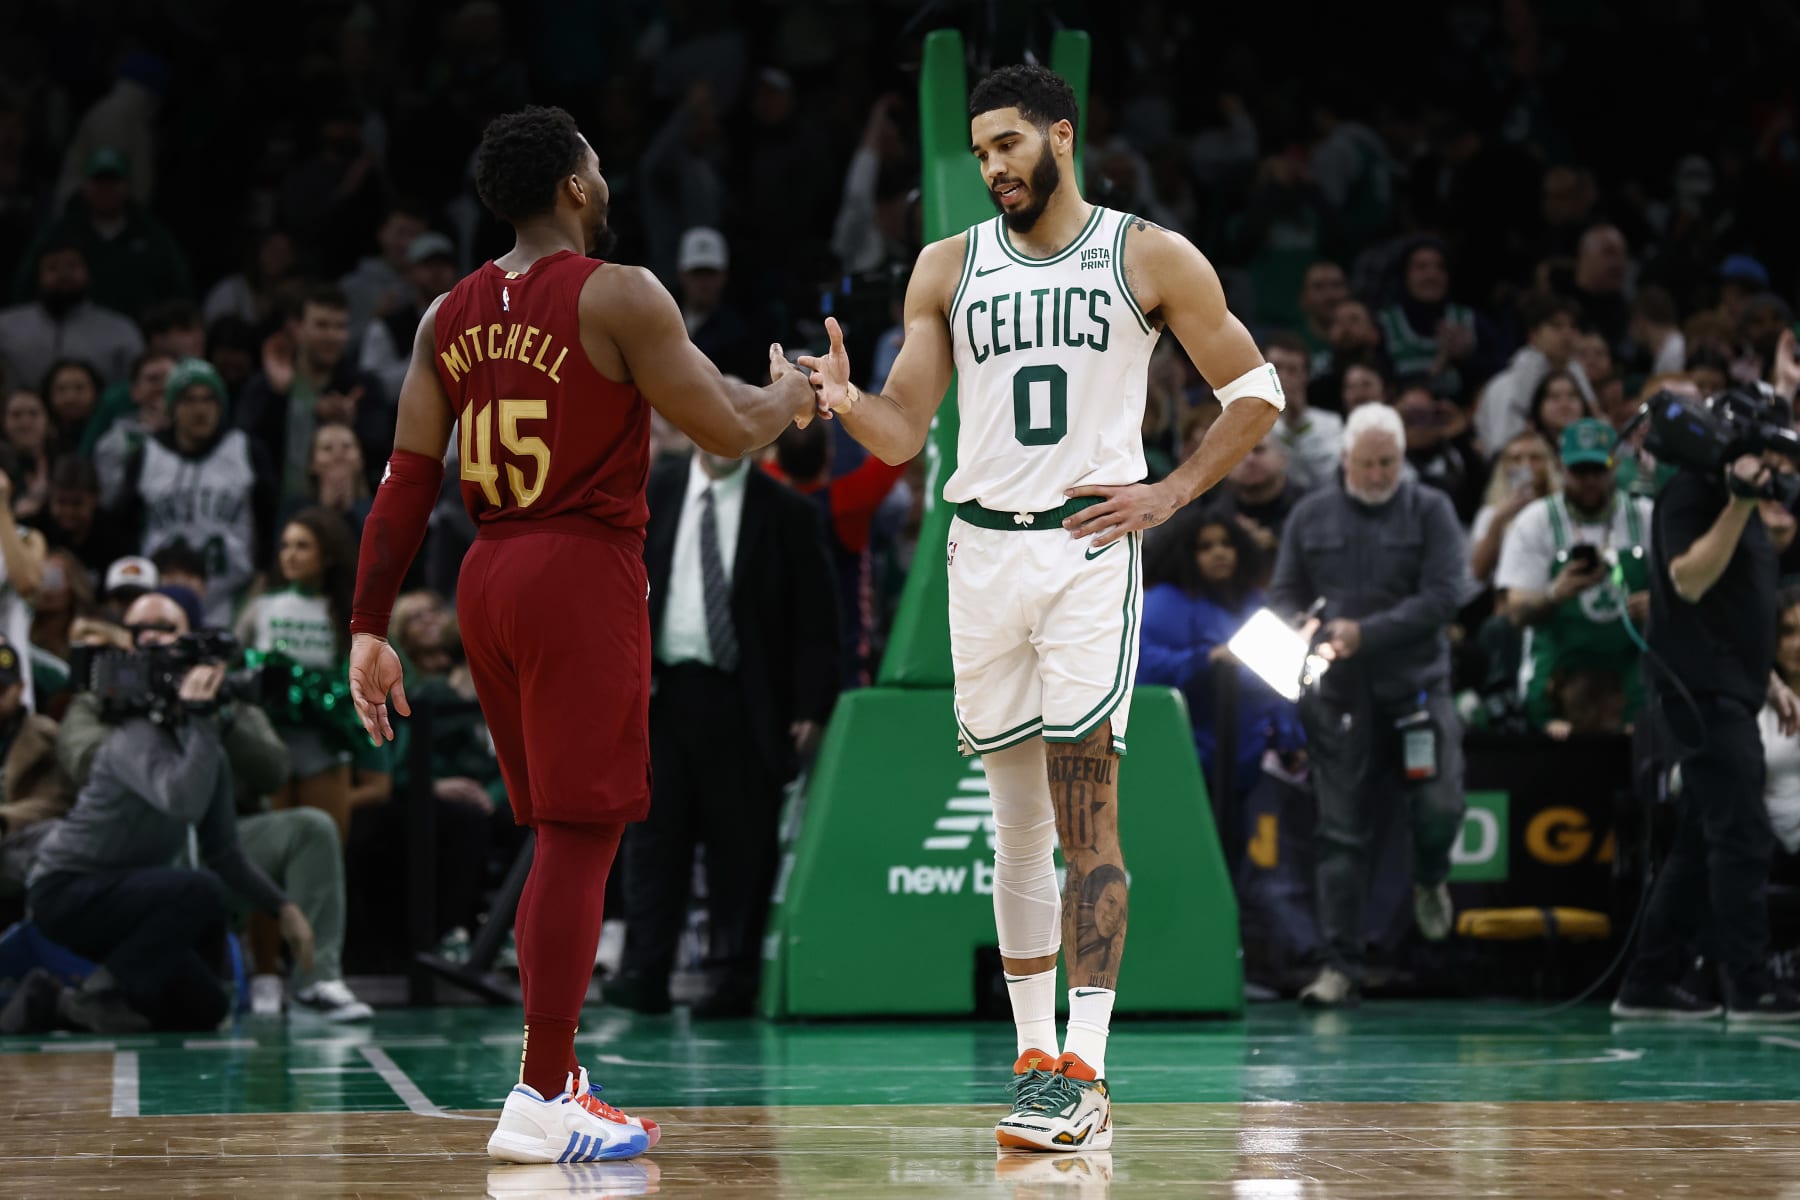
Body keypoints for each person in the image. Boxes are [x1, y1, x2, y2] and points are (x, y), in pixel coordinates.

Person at [797, 65, 1282, 1152]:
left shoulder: (1144, 252)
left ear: (1063, 135)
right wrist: (845, 404)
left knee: (1084, 818)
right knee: (1016, 830)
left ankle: (1091, 1070)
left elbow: (1257, 394)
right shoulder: (944, 265)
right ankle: (1034, 1061)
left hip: (1081, 555)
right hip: (980, 555)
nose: (993, 167)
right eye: (979, 152)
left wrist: (1167, 491)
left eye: (1010, 144)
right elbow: (906, 431)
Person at [344, 105, 817, 1165]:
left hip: (487, 575)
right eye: (597, 168)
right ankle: (543, 1092)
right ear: (571, 186)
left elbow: (405, 480)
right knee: (580, 834)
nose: (606, 183)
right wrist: (795, 396)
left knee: (558, 832)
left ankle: (554, 1080)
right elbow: (729, 430)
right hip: (578, 570)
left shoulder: (446, 316)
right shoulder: (622, 290)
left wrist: (369, 623)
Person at [56, 593, 371, 1021]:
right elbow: (82, 760)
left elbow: (274, 770)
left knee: (311, 828)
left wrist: (219, 714)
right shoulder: (100, 695)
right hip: (130, 854)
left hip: (210, 847)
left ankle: (317, 981)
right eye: (138, 630)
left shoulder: (222, 693)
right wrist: (155, 722)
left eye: (165, 629)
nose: (151, 637)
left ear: (191, 638)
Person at [614, 447, 839, 1017]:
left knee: (740, 848)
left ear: (758, 438)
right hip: (658, 696)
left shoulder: (787, 510)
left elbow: (817, 617)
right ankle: (645, 972)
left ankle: (731, 979)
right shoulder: (650, 489)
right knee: (651, 841)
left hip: (745, 699)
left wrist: (811, 704)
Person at [1268, 404, 1474, 1008]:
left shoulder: (1431, 510)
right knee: (1340, 834)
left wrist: (1366, 632)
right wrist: (1305, 626)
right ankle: (1339, 967)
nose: (1380, 473)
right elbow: (1283, 595)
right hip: (1340, 698)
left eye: (1389, 462)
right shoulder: (1310, 515)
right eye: (1368, 462)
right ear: (1344, 459)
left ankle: (1431, 878)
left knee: (1440, 807)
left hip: (1416, 689)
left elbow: (1444, 597)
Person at [1612, 399, 1800, 1021]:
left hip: (1732, 691)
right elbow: (1688, 580)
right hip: (1700, 695)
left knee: (1700, 840)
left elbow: (1729, 610)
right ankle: (1749, 986)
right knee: (1743, 833)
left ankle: (1649, 981)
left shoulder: (1737, 507)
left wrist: (1769, 678)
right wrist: (1740, 503)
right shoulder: (1691, 494)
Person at [1495, 419, 1652, 732]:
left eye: (1599, 469)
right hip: (1559, 675)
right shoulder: (1537, 522)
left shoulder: (1645, 516)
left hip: (1630, 672)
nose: (1590, 481)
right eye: (1579, 471)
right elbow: (1514, 613)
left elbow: (1687, 593)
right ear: (1561, 468)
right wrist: (1555, 594)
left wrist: (1658, 605)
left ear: (1615, 464)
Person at [235, 509, 361, 843]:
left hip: (324, 746)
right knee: (273, 847)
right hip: (269, 742)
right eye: (285, 545)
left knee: (327, 846)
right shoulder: (262, 607)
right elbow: (235, 662)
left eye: (302, 546)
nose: (289, 555)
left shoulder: (351, 613)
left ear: (329, 555)